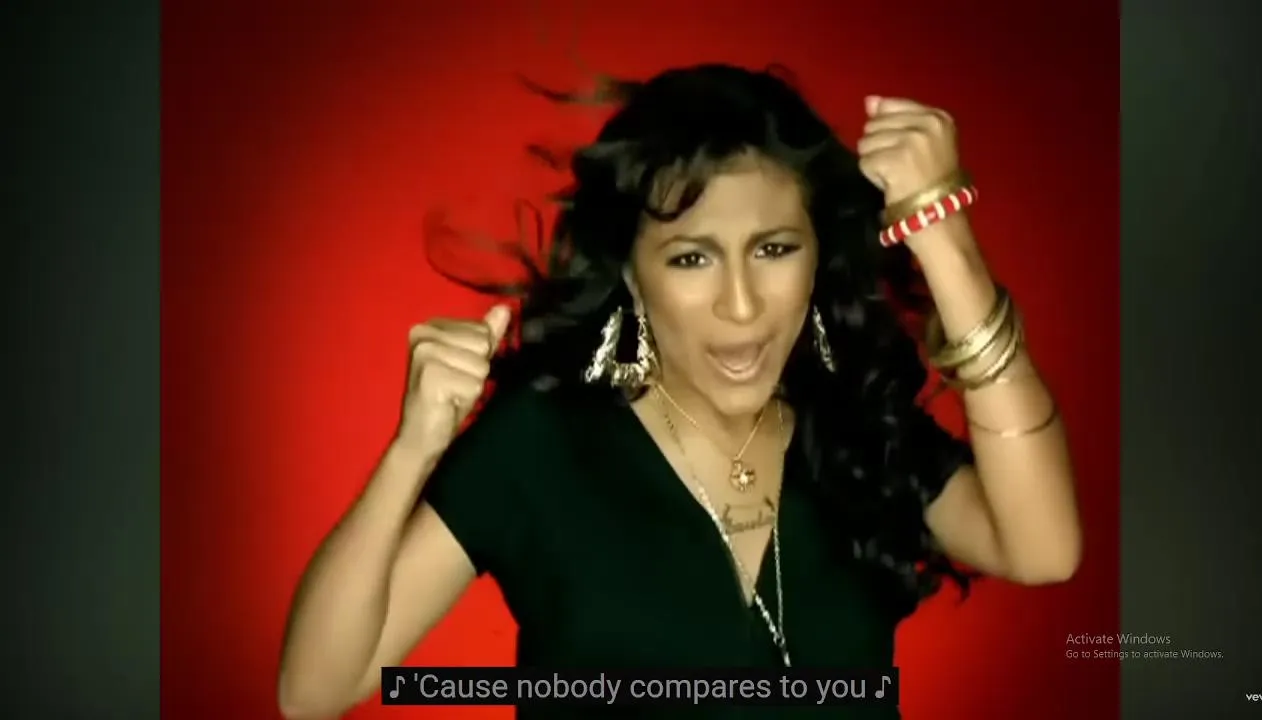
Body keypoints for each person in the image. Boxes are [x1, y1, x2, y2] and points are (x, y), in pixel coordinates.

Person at [276, 63, 1082, 719]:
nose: (742, 305)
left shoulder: (857, 433)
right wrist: (413, 450)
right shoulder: (543, 443)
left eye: (773, 249)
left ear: (816, 255)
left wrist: (943, 233)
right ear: (632, 274)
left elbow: (1044, 549)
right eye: (692, 258)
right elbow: (313, 692)